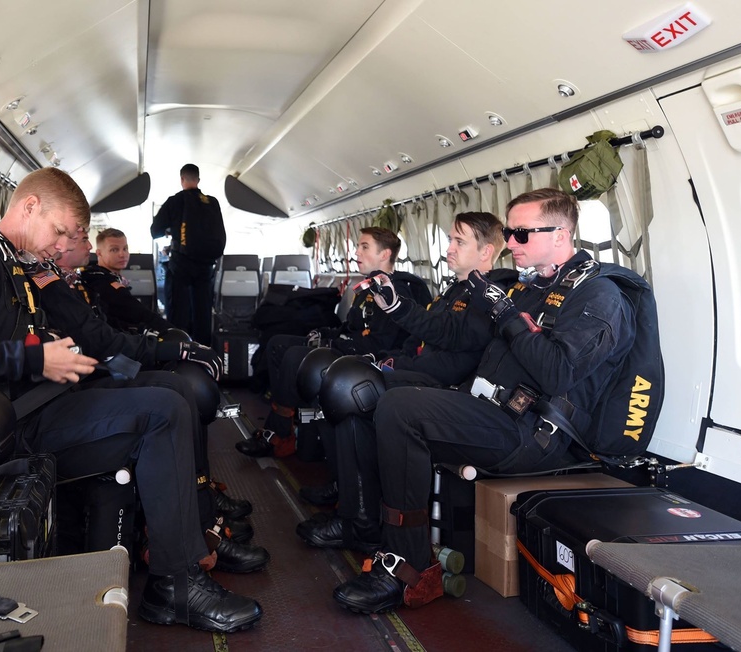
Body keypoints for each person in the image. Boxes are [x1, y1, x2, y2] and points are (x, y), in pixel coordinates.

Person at [0, 168, 262, 632]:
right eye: (59, 232)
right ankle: (173, 585)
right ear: (29, 206)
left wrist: (57, 357)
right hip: (0, 431)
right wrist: (35, 359)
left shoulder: (14, 261)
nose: (61, 246)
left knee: (170, 392)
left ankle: (190, 542)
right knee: (164, 411)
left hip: (39, 403)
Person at [333, 187, 640, 614]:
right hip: (488, 411)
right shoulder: (525, 288)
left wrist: (508, 316)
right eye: (511, 232)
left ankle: (412, 568)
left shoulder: (599, 296)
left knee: (401, 410)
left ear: (561, 234)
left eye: (521, 234)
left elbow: (558, 372)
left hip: (532, 433)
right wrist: (399, 308)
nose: (511, 242)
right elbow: (459, 337)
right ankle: (368, 529)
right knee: (366, 394)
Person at [43, 231, 268, 573]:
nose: (85, 246)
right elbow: (104, 335)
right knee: (168, 403)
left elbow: (102, 336)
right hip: (68, 393)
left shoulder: (70, 282)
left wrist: (175, 344)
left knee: (178, 387)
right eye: (78, 236)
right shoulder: (63, 281)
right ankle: (178, 567)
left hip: (92, 373)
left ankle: (202, 511)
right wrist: (173, 344)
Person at [297, 212, 515, 553]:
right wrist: (393, 358)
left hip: (450, 390)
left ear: (486, 251)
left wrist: (396, 343)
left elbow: (454, 353)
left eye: (460, 241)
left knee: (353, 389)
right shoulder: (455, 291)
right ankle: (350, 498)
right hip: (425, 373)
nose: (450, 248)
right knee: (343, 379)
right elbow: (429, 341)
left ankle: (362, 521)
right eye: (450, 240)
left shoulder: (494, 292)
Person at [236, 226, 432, 458]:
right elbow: (351, 327)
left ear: (385, 254)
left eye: (364, 247)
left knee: (293, 355)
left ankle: (279, 434)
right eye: (358, 246)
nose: (356, 253)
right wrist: (326, 334)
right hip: (348, 346)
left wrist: (334, 345)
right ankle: (290, 419)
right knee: (278, 343)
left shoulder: (394, 292)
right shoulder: (368, 287)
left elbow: (379, 342)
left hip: (368, 359)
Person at [150, 164, 226, 346]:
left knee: (178, 310)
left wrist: (170, 230)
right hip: (206, 266)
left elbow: (155, 230)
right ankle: (204, 353)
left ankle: (178, 349)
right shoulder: (212, 202)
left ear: (182, 179)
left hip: (181, 264)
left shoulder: (175, 201)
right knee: (203, 312)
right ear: (198, 180)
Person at [78, 228, 173, 333]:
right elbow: (140, 313)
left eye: (125, 248)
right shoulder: (101, 283)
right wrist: (174, 332)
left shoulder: (104, 276)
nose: (122, 254)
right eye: (114, 250)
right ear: (99, 253)